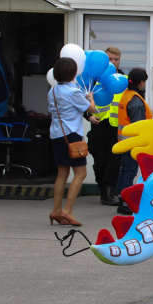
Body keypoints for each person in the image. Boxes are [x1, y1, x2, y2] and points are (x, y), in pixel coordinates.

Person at [48, 57, 99, 226]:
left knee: (62, 173)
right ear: (71, 73)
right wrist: (90, 97)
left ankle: (56, 211)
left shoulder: (53, 91)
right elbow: (90, 109)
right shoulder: (74, 92)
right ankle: (67, 211)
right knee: (81, 173)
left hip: (57, 134)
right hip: (72, 135)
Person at [87, 46, 122, 206]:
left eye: (116, 59)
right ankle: (103, 188)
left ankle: (108, 190)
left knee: (114, 160)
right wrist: (88, 116)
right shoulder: (92, 79)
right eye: (110, 59)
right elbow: (80, 101)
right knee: (99, 159)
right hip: (98, 124)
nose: (113, 62)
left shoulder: (122, 79)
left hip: (116, 125)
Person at [115, 68, 153, 215]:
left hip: (124, 141)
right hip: (133, 142)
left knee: (124, 171)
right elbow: (138, 125)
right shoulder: (136, 100)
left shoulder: (126, 95)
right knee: (129, 172)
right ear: (141, 82)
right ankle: (126, 203)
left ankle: (121, 200)